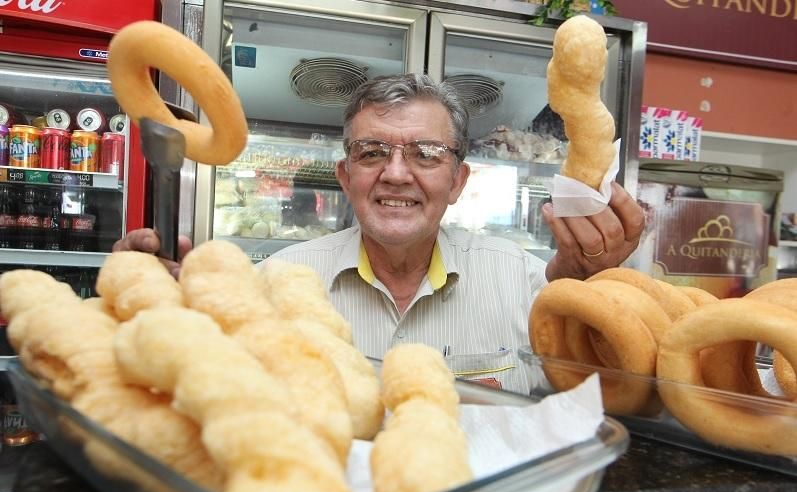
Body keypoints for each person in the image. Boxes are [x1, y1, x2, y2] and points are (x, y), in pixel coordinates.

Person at [115, 73, 644, 392]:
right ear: (346, 177)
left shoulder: (526, 286)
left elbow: (601, 390)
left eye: (425, 154)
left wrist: (595, 291)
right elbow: (210, 386)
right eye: (371, 153)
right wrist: (162, 314)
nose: (395, 173)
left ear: (459, 181)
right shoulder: (279, 281)